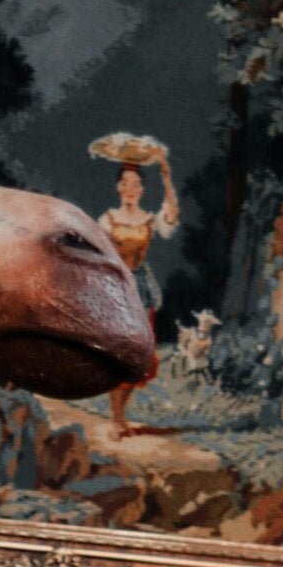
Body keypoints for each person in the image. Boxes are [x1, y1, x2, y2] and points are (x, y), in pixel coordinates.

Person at [97, 154, 178, 437]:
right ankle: (116, 419)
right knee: (118, 352)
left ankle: (122, 417)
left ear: (142, 189)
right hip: (116, 286)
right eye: (125, 183)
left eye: (135, 184)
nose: (130, 189)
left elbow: (171, 216)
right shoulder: (107, 220)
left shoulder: (148, 220)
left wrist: (166, 177)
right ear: (118, 187)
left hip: (140, 287)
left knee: (139, 355)